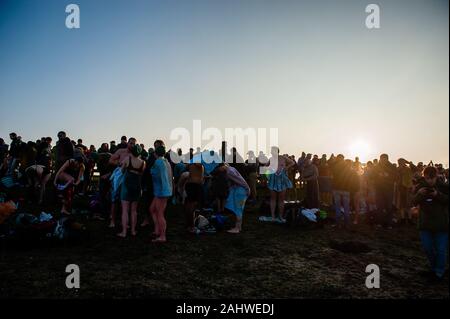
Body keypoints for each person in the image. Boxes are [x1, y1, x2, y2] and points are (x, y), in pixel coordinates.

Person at [412, 166, 448, 282]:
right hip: (425, 224)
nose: (430, 181)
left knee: (441, 249)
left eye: (432, 178)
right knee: (428, 248)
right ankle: (434, 268)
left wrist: (437, 195)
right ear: (424, 176)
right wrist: (419, 194)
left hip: (441, 224)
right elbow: (412, 202)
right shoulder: (420, 187)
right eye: (427, 178)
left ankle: (439, 272)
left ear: (436, 176)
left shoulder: (444, 186)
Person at [117, 144, 146, 238]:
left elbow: (121, 171)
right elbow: (141, 174)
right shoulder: (143, 162)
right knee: (134, 211)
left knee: (125, 210)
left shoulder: (127, 159)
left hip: (127, 185)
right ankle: (133, 231)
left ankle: (124, 232)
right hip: (137, 186)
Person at [108, 138, 135, 227]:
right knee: (114, 200)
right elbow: (111, 161)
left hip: (128, 178)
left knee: (126, 201)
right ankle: (112, 221)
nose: (132, 145)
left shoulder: (135, 154)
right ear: (128, 143)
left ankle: (124, 222)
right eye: (131, 143)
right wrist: (119, 163)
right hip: (118, 176)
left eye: (134, 144)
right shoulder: (121, 151)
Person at [149, 144, 173, 243]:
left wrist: (165, 190)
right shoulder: (166, 161)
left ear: (155, 153)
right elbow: (170, 176)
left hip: (162, 191)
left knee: (159, 213)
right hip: (162, 190)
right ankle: (157, 230)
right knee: (152, 209)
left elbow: (163, 176)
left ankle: (162, 236)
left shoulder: (159, 162)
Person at [266, 146, 296, 222]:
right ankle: (272, 216)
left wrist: (286, 167)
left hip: (282, 179)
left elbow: (293, 163)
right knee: (273, 198)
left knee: (281, 199)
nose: (271, 152)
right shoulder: (271, 159)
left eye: (272, 151)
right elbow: (266, 167)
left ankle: (280, 216)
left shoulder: (283, 157)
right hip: (273, 179)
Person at [222, 163, 250, 233]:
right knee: (239, 208)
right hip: (241, 191)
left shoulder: (229, 172)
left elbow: (240, 180)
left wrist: (247, 188)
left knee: (238, 209)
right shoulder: (232, 169)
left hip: (240, 192)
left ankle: (237, 228)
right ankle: (238, 227)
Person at [178, 163, 204, 233]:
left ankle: (188, 225)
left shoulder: (191, 165)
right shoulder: (198, 164)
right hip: (195, 186)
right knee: (192, 207)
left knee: (188, 206)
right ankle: (191, 226)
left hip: (190, 185)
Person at [373, 154, 397, 228]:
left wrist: (388, 176)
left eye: (384, 159)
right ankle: (380, 223)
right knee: (379, 206)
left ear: (387, 159)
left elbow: (395, 177)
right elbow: (372, 177)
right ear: (380, 159)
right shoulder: (376, 167)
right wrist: (378, 176)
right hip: (379, 189)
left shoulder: (392, 167)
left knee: (389, 207)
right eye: (382, 159)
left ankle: (389, 223)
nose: (383, 161)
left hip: (389, 189)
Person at [397, 158, 414, 225]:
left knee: (408, 204)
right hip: (401, 187)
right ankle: (403, 219)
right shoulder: (398, 169)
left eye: (403, 162)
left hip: (408, 187)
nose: (401, 163)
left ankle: (409, 219)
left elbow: (416, 169)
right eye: (400, 162)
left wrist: (409, 163)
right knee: (402, 204)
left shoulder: (408, 168)